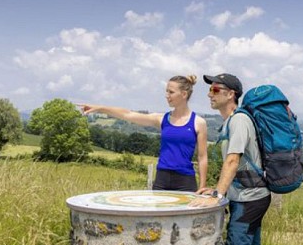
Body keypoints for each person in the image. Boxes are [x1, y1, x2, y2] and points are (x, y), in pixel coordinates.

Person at [191, 73, 272, 245]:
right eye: (210, 89)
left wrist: (218, 195)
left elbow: (233, 161)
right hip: (257, 195)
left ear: (231, 94)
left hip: (247, 200)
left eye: (215, 89)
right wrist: (216, 189)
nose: (210, 94)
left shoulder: (237, 121)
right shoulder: (234, 121)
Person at [78, 75, 208, 191]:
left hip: (185, 182)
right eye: (166, 91)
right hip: (161, 179)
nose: (166, 95)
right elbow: (128, 114)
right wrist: (100, 108)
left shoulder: (198, 123)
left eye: (171, 92)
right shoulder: (162, 119)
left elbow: (202, 158)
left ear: (184, 94)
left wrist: (202, 187)